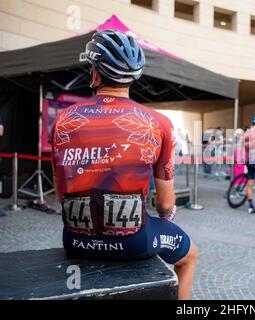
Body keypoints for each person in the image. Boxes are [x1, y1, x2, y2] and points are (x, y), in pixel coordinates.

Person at [50, 30, 197, 300]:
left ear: (94, 72)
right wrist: (165, 216)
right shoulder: (158, 122)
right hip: (132, 242)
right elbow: (164, 205)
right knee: (189, 257)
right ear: (134, 76)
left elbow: (60, 196)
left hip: (74, 241)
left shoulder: (64, 119)